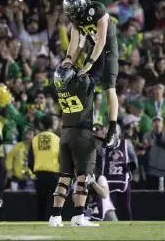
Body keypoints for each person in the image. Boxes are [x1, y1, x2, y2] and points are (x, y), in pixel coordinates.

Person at [62, 0, 119, 149]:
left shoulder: (97, 9)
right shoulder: (77, 18)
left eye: (74, 13)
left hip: (108, 49)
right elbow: (76, 42)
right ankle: (83, 120)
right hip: (95, 48)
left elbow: (101, 41)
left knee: (109, 87)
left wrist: (88, 65)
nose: (73, 18)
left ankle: (113, 130)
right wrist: (69, 59)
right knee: (83, 83)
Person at [49, 65, 99, 227]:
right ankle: (78, 216)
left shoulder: (60, 88)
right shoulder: (82, 84)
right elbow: (97, 70)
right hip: (82, 134)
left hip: (65, 134)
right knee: (83, 177)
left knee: (64, 177)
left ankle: (55, 216)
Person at [28, 114, 60, 221]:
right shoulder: (57, 139)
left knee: (41, 203)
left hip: (40, 175)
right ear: (52, 125)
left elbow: (30, 161)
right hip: (55, 174)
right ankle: (56, 220)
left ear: (41, 125)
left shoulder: (34, 140)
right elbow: (63, 159)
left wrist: (35, 172)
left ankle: (40, 222)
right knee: (56, 201)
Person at [103, 125, 138, 220]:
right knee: (109, 206)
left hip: (123, 180)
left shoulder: (126, 144)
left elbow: (133, 157)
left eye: (114, 131)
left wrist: (132, 166)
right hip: (108, 181)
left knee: (126, 206)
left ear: (118, 133)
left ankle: (129, 225)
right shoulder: (102, 146)